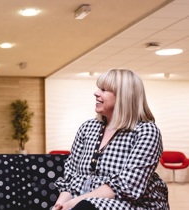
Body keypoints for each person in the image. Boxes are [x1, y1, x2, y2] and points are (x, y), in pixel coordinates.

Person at [53, 69, 169, 210]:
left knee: (85, 207)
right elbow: (70, 175)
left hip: (133, 204)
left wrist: (74, 203)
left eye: (103, 90)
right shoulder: (87, 127)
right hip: (83, 202)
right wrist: (60, 204)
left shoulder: (146, 131)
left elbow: (128, 185)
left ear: (123, 96)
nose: (96, 93)